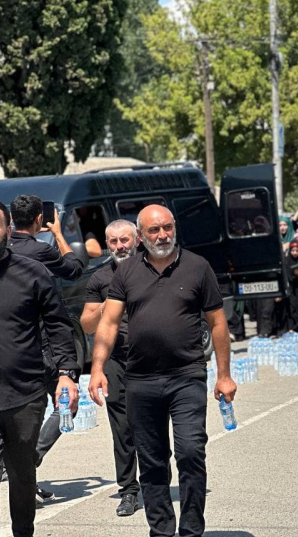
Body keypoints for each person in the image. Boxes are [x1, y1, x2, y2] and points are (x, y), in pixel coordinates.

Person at [88, 205, 237, 537]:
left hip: (187, 376)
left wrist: (224, 375)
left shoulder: (198, 267)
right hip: (140, 381)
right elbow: (109, 323)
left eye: (167, 228)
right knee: (152, 461)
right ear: (141, 236)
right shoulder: (126, 274)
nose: (162, 235)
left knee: (190, 451)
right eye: (154, 231)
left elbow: (217, 323)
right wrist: (97, 368)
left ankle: (191, 529)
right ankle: (161, 530)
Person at [0, 200, 80, 537]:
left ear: (7, 229)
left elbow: (59, 327)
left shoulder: (33, 273)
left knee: (21, 473)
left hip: (24, 395)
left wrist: (67, 375)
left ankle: (23, 531)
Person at [79, 220, 141, 517]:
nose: (120, 246)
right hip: (116, 360)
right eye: (113, 241)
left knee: (153, 428)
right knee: (122, 429)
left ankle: (156, 484)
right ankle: (129, 490)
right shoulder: (101, 278)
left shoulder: (153, 271)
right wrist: (108, 303)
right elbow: (87, 324)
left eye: (124, 240)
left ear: (137, 239)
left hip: (153, 362)